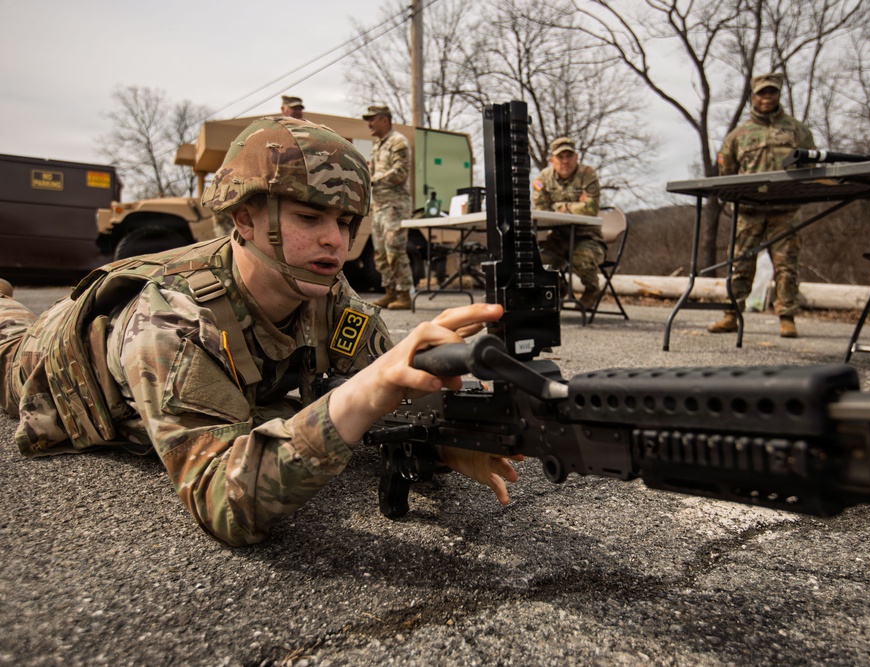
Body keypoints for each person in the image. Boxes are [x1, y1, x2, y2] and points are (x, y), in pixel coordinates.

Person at [0, 117, 519, 547]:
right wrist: (365, 392)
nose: (334, 241)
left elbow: (397, 390)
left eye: (345, 223)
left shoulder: (330, 296)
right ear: (245, 219)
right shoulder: (174, 321)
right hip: (35, 362)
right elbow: (226, 505)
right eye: (310, 216)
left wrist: (447, 442)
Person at [708, 72, 816, 338]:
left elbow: (811, 168)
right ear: (752, 97)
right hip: (749, 211)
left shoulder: (797, 130)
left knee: (786, 266)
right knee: (740, 264)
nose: (766, 98)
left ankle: (787, 317)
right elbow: (728, 174)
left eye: (771, 92)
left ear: (778, 95)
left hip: (785, 210)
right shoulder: (738, 135)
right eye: (761, 93)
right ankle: (731, 314)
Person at [531, 137, 605, 310]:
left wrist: (558, 206)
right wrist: (575, 206)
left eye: (568, 156)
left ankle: (592, 290)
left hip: (586, 236)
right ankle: (559, 288)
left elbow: (591, 208)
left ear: (576, 157)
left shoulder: (587, 174)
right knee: (536, 259)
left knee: (582, 258)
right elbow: (541, 208)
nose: (565, 161)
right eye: (560, 157)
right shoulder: (543, 178)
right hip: (557, 237)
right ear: (552, 160)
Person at [363, 105, 413, 310]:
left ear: (384, 120)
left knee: (395, 250)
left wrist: (374, 179)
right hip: (380, 206)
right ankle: (390, 292)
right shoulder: (378, 145)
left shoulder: (398, 142)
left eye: (372, 119)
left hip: (395, 206)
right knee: (380, 252)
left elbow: (400, 171)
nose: (369, 124)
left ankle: (404, 294)